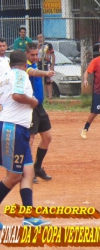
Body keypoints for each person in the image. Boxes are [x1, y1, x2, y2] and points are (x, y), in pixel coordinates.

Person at [0, 50, 51, 229]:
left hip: (15, 128)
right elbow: (17, 96)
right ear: (24, 63)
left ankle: (29, 216)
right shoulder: (20, 75)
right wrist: (34, 102)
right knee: (14, 177)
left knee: (28, 173)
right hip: (13, 129)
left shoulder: (6, 75)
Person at [26, 43, 55, 184]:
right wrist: (46, 73)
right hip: (30, 107)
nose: (36, 57)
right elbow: (32, 72)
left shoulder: (35, 63)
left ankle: (37, 167)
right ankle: (28, 172)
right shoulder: (26, 66)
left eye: (37, 54)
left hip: (40, 107)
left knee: (47, 137)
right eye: (32, 55)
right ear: (26, 55)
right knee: (30, 140)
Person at [37, 34, 55, 99]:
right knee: (42, 81)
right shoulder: (37, 46)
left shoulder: (48, 45)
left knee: (48, 80)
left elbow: (53, 55)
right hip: (39, 64)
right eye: (38, 37)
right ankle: (44, 96)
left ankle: (50, 96)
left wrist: (52, 65)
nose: (40, 38)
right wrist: (38, 47)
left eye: (41, 37)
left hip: (47, 64)